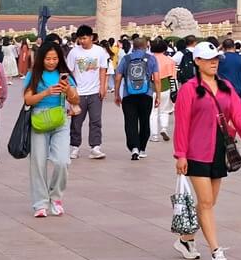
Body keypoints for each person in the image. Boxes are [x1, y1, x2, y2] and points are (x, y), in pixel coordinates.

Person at [173, 41, 241, 260]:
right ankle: (215, 250)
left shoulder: (224, 87)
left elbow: (239, 112)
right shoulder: (189, 89)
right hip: (195, 151)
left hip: (219, 149)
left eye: (216, 60)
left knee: (210, 202)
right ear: (197, 62)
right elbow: (182, 123)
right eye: (209, 59)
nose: (214, 63)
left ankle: (185, 239)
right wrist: (181, 154)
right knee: (204, 202)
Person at [22, 41, 79, 217]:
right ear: (41, 59)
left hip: (60, 119)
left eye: (55, 58)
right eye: (48, 58)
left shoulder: (65, 76)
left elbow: (76, 101)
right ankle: (40, 203)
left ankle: (56, 197)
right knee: (38, 163)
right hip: (39, 119)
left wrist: (67, 89)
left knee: (63, 161)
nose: (52, 62)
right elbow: (27, 100)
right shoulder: (34, 75)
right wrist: (46, 93)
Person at [66, 25, 110, 159]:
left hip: (94, 92)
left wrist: (102, 87)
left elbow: (103, 70)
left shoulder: (100, 51)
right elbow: (70, 72)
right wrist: (71, 91)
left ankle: (95, 147)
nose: (82, 41)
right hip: (79, 92)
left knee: (96, 120)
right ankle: (75, 147)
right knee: (77, 121)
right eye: (80, 39)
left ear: (91, 37)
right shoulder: (74, 52)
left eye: (84, 38)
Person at [116, 36, 158, 159]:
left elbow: (118, 77)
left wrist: (116, 94)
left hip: (129, 95)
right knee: (145, 121)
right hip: (146, 94)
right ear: (146, 46)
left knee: (130, 122)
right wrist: (158, 95)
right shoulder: (151, 58)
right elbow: (156, 79)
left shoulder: (126, 58)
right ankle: (142, 148)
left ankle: (134, 147)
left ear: (133, 46)